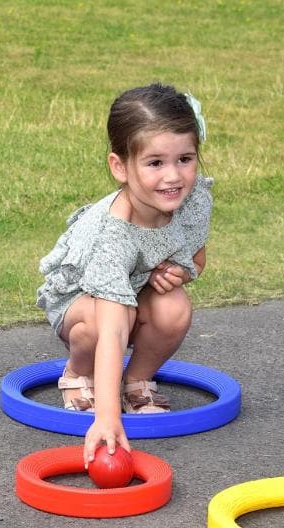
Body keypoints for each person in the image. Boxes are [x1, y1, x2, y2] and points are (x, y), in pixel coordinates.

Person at [36, 83, 212, 465]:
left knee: (175, 306)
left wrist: (180, 273)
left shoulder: (194, 199)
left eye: (185, 158)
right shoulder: (113, 232)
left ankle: (136, 381)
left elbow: (197, 260)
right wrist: (107, 418)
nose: (173, 176)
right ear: (120, 167)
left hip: (135, 291)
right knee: (111, 319)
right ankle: (80, 374)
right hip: (80, 304)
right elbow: (115, 326)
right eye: (155, 163)